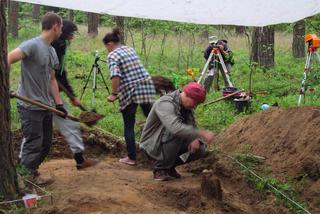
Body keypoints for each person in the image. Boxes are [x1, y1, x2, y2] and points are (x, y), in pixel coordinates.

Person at [8, 12, 66, 184]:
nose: (61, 32)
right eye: (61, 28)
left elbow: (52, 79)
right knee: (33, 143)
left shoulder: (51, 51)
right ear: (55, 26)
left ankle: (30, 170)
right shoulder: (32, 45)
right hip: (29, 105)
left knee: (46, 143)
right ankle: (26, 179)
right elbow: (8, 58)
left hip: (46, 105)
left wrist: (59, 104)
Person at [140, 82, 215, 181]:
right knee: (176, 133)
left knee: (200, 149)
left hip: (165, 142)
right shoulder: (165, 103)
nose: (195, 106)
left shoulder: (186, 107)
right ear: (187, 95)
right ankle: (160, 169)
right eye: (195, 102)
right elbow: (175, 128)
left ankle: (169, 167)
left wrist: (194, 138)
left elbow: (191, 125)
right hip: (152, 145)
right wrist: (200, 133)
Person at [103, 28, 156, 166]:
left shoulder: (112, 55)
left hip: (130, 91)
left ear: (109, 44)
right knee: (154, 121)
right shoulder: (129, 49)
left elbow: (116, 75)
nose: (106, 50)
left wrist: (114, 94)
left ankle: (131, 158)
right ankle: (158, 153)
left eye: (106, 47)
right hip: (146, 86)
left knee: (128, 125)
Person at [51, 20, 98, 169]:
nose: (73, 37)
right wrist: (70, 96)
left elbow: (61, 73)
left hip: (48, 91)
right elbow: (56, 75)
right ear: (64, 32)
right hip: (48, 93)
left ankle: (22, 166)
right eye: (71, 33)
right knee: (70, 124)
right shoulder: (58, 46)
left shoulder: (59, 45)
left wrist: (72, 96)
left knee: (35, 131)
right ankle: (80, 160)